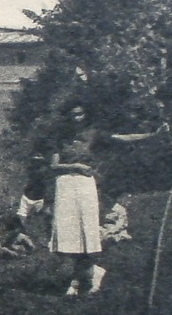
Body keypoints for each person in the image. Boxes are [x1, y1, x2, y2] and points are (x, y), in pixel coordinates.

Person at [46, 102, 165, 296]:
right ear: (66, 117)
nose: (76, 118)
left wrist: (152, 135)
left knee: (85, 231)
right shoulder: (60, 138)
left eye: (79, 114)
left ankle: (78, 281)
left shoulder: (93, 135)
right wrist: (75, 165)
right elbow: (53, 166)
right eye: (72, 115)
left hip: (85, 185)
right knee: (70, 234)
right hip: (65, 184)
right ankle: (88, 275)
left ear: (85, 115)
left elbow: (122, 139)